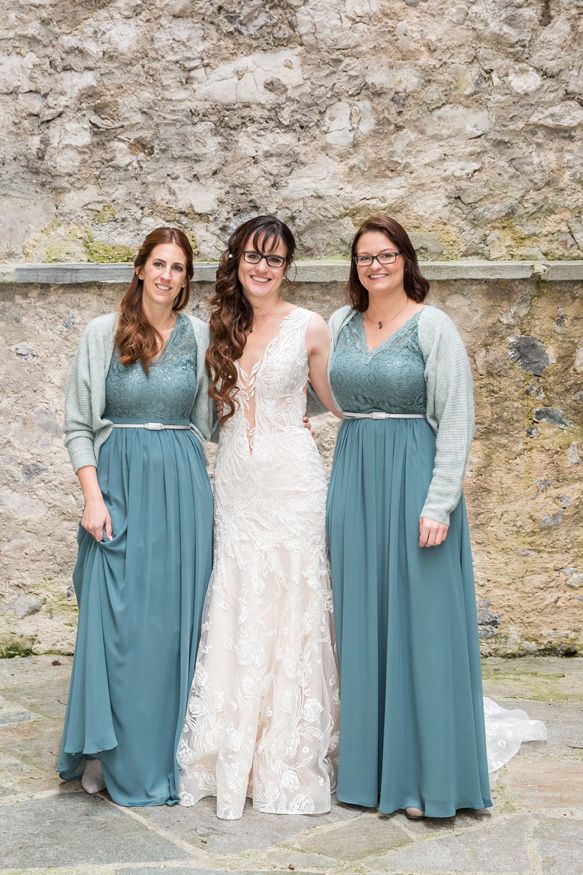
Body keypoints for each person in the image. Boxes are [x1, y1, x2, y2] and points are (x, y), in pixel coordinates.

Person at [326, 215, 492, 819]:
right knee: (362, 623)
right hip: (354, 481)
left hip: (415, 478)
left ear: (406, 260)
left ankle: (427, 778)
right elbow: (316, 392)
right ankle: (370, 775)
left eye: (387, 254)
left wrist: (439, 502)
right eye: (366, 256)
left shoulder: (433, 326)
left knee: (422, 627)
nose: (376, 265)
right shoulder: (340, 324)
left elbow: (456, 419)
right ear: (355, 265)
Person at [177, 215, 340, 820]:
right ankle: (228, 743)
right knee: (238, 599)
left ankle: (287, 748)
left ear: (287, 267)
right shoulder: (219, 324)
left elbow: (336, 401)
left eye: (273, 259)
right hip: (237, 488)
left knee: (293, 601)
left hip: (292, 483)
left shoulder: (311, 327)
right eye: (252, 256)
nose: (261, 268)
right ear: (238, 261)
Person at [57, 227, 214, 807]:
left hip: (183, 486)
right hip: (117, 483)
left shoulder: (199, 335)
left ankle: (161, 753)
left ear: (185, 279)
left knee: (172, 626)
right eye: (159, 264)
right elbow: (78, 423)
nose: (168, 276)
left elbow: (213, 419)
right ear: (141, 270)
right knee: (116, 623)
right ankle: (107, 750)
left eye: (178, 268)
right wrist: (92, 497)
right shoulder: (103, 334)